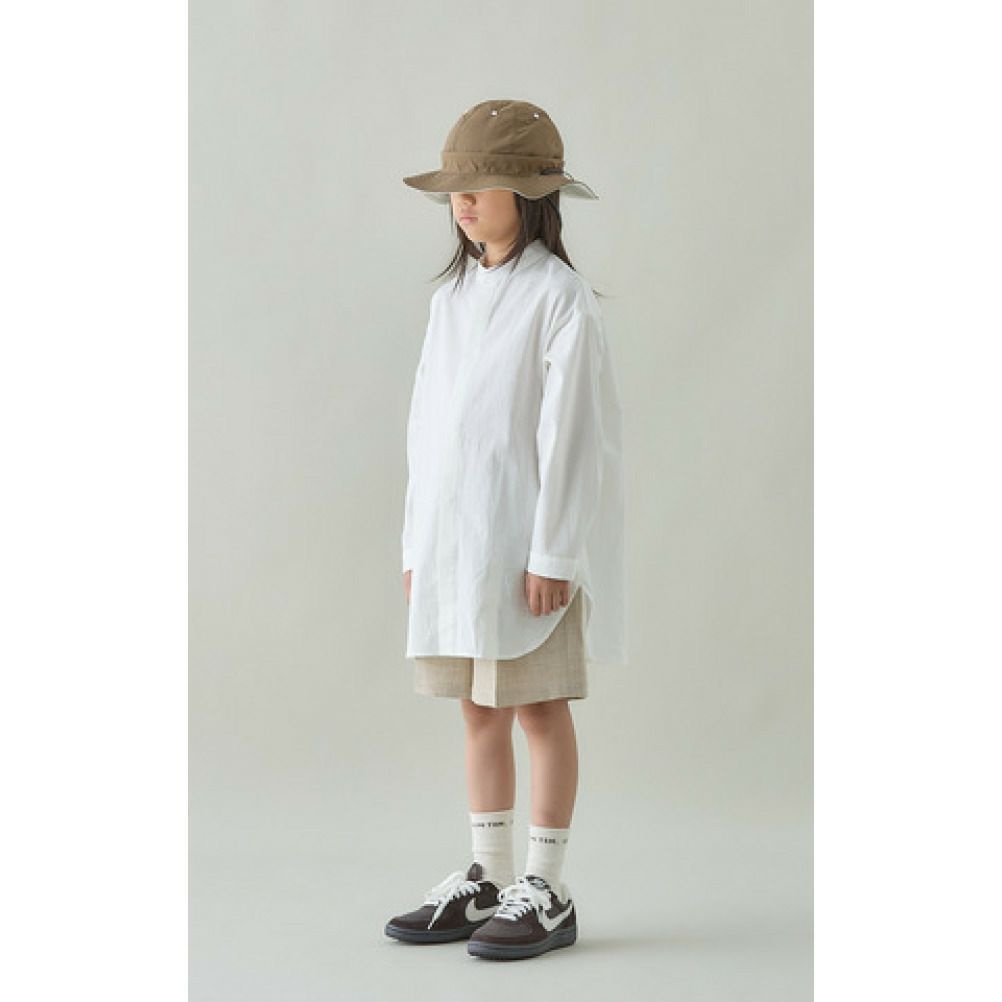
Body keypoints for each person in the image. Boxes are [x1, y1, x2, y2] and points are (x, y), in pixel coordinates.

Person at [383, 99, 627, 962]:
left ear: (529, 194)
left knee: (539, 707)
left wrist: (554, 550)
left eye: (480, 185)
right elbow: (426, 428)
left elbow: (573, 437)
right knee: (477, 708)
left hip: (525, 548)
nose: (463, 201)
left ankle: (546, 885)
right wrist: (417, 545)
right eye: (455, 188)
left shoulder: (559, 300)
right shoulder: (452, 299)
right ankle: (486, 874)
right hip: (458, 547)